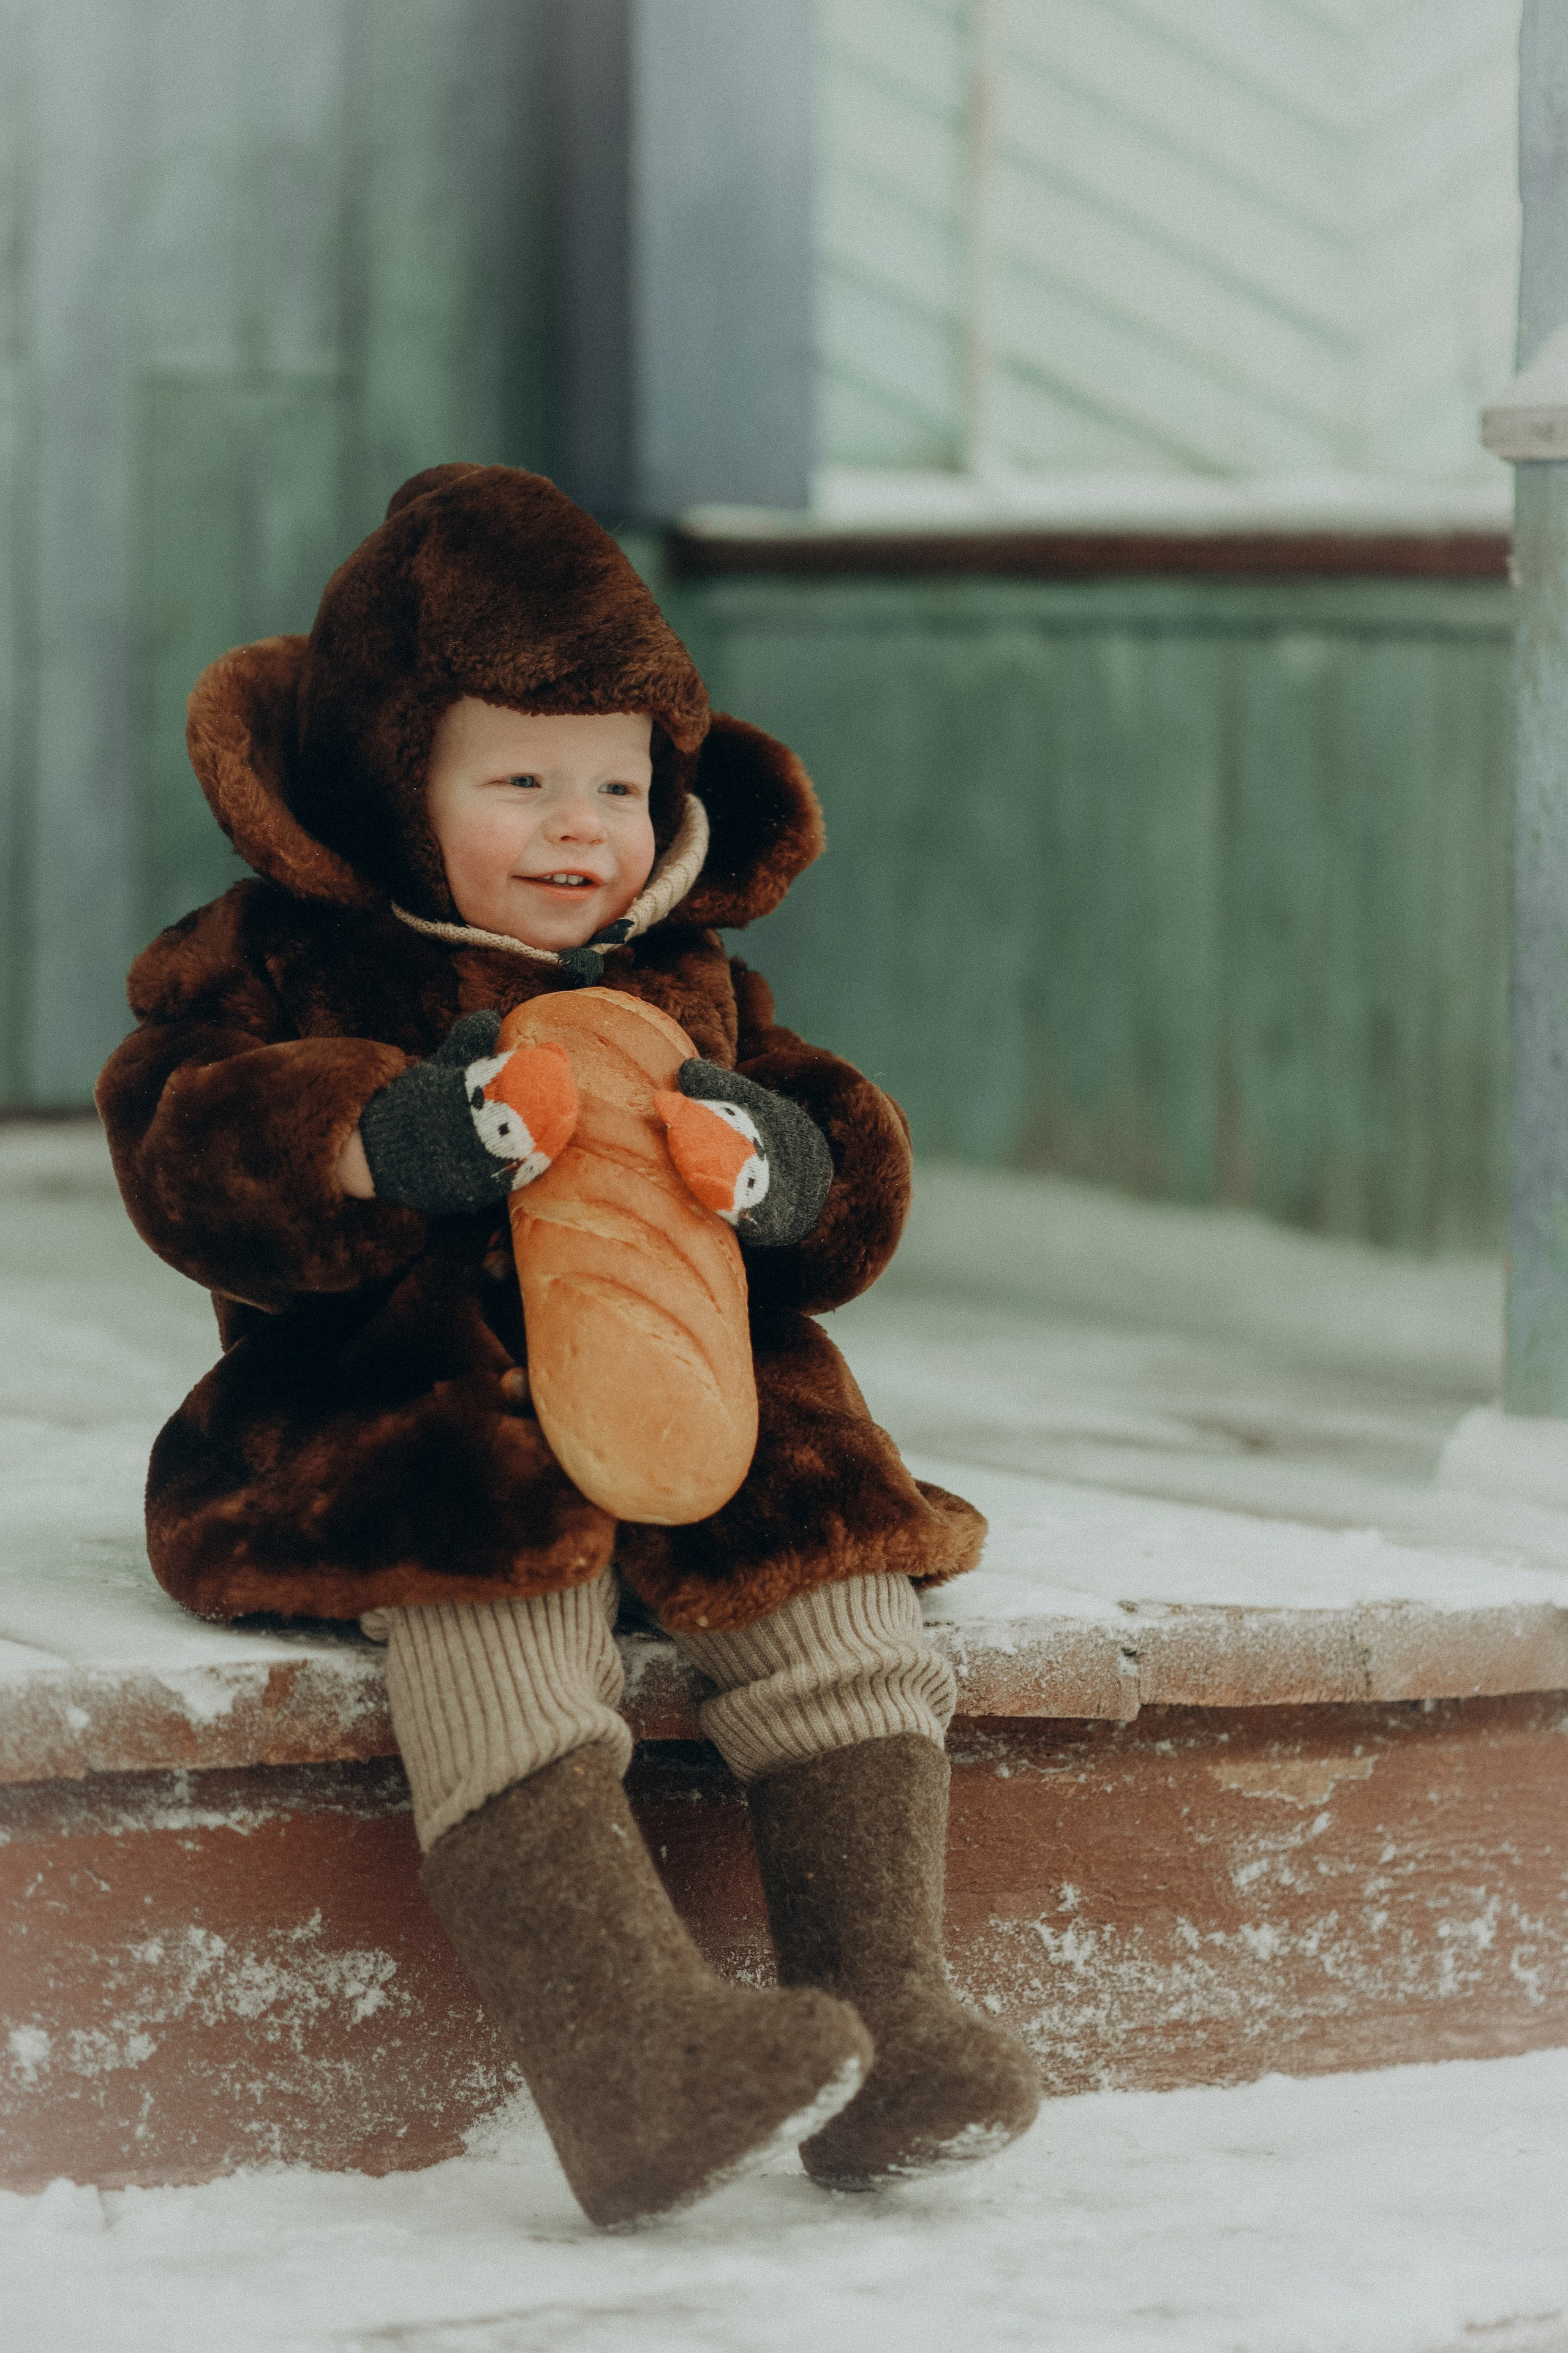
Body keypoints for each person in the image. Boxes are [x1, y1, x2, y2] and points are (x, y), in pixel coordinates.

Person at [96, 463, 1040, 2227]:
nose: (577, 827)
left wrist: (774, 1168)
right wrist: (385, 1141)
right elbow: (188, 1141)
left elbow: (848, 1176)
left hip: (702, 1398)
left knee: (835, 1582)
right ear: (399, 785)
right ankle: (627, 2055)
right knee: (499, 1600)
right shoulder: (291, 964)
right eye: (518, 781)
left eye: (614, 782)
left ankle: (896, 2021)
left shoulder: (686, 974)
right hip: (407, 1407)